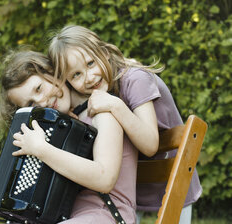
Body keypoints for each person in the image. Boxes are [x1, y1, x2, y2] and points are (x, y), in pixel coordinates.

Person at [47, 24, 202, 224]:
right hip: (131, 190)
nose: (89, 78)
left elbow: (150, 144)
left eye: (91, 63)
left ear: (102, 50)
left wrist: (116, 106)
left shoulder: (135, 79)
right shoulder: (92, 92)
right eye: (76, 75)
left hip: (171, 182)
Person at [0, 49, 138, 223]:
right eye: (31, 103)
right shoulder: (60, 127)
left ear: (53, 72)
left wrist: (42, 150)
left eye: (39, 88)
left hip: (108, 214)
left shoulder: (101, 110)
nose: (42, 102)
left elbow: (105, 179)